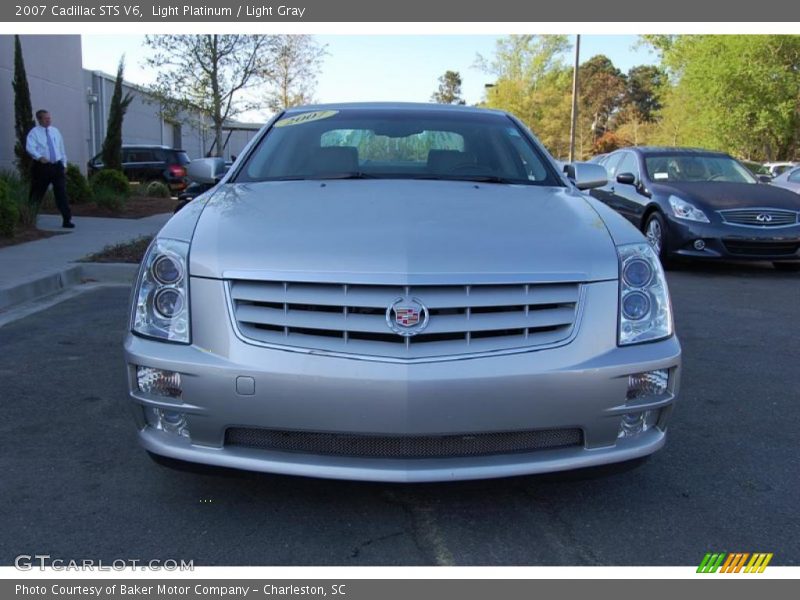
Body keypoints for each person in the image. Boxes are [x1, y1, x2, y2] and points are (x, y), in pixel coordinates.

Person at [26, 109, 74, 228]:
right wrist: (39, 157)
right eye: (46, 118)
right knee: (37, 193)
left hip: (57, 166)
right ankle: (28, 218)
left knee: (61, 193)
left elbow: (61, 148)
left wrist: (64, 164)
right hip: (42, 167)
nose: (48, 120)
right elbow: (30, 147)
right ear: (40, 119)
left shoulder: (55, 131)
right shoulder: (34, 133)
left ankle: (67, 219)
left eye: (49, 118)